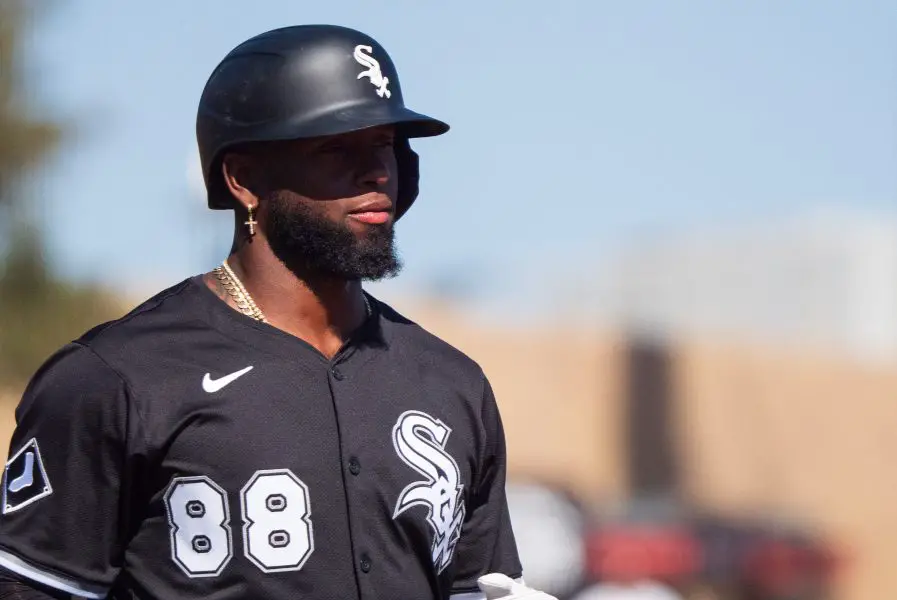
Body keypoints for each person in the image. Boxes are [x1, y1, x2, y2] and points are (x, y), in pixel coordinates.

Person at [0, 24, 558, 600]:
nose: (377, 172)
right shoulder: (115, 377)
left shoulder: (452, 384)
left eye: (385, 145)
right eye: (336, 148)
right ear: (242, 178)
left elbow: (473, 587)